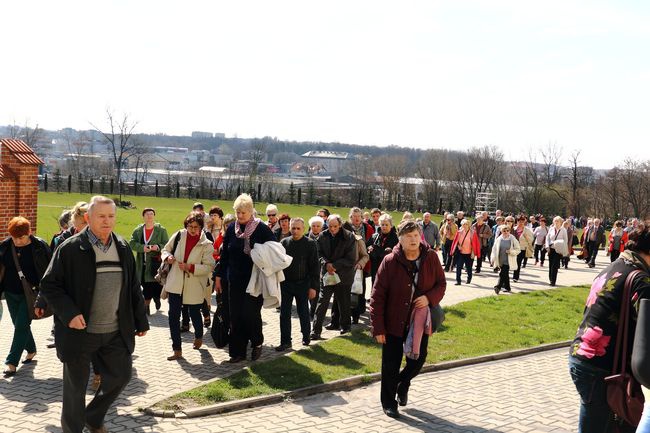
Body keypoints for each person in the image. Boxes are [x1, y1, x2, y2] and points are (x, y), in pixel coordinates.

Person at [40, 195, 149, 433]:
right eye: (101, 216)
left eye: (111, 216)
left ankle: (93, 416)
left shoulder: (122, 247)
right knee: (74, 392)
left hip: (114, 331)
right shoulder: (69, 249)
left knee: (121, 377)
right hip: (80, 333)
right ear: (88, 218)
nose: (107, 221)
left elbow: (132, 286)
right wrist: (69, 313)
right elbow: (49, 285)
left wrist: (141, 319)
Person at [569, 221, 650, 433]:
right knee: (599, 425)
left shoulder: (615, 266)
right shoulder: (641, 280)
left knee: (597, 421)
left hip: (583, 356)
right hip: (602, 365)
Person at [370, 221, 446, 419]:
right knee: (390, 363)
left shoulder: (431, 257)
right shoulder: (389, 261)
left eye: (416, 235)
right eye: (408, 236)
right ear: (400, 239)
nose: (413, 240)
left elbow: (441, 284)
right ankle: (389, 403)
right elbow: (377, 296)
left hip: (418, 321)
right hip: (393, 320)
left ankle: (402, 383)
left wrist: (429, 298)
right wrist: (378, 327)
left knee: (417, 360)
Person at [215, 194, 276, 363]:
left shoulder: (261, 228)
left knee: (250, 314)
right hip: (234, 280)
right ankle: (237, 353)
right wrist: (219, 276)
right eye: (237, 212)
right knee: (235, 316)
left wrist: (259, 254)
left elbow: (274, 249)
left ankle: (257, 342)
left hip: (254, 280)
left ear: (251, 212)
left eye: (243, 212)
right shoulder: (231, 229)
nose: (239, 216)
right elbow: (224, 255)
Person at [0, 217, 52, 377]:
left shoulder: (40, 247)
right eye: (14, 237)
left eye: (21, 238)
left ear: (29, 233)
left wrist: (45, 295)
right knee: (18, 324)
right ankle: (31, 349)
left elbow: (49, 271)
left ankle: (11, 362)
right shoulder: (4, 247)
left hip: (31, 294)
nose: (17, 241)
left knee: (22, 324)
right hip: (10, 292)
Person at [162, 211, 215, 360]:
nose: (192, 229)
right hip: (175, 283)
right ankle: (177, 350)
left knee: (194, 314)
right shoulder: (179, 235)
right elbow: (165, 249)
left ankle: (198, 336)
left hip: (194, 284)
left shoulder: (207, 244)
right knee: (173, 316)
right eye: (190, 226)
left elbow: (210, 266)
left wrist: (190, 267)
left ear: (201, 227)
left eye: (196, 227)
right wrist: (168, 257)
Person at [311, 214, 357, 339]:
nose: (332, 229)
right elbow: (318, 253)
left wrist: (335, 265)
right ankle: (315, 331)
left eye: (335, 226)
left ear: (340, 225)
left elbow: (351, 259)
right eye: (330, 226)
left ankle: (345, 327)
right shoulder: (322, 235)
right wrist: (326, 264)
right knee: (322, 302)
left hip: (343, 275)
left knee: (344, 302)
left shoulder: (349, 237)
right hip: (326, 274)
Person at [276, 218, 319, 351]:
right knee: (284, 313)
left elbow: (314, 267)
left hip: (303, 283)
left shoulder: (310, 244)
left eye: (298, 228)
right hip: (286, 284)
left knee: (303, 312)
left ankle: (306, 336)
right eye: (293, 228)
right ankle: (285, 341)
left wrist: (313, 287)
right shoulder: (284, 243)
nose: (295, 231)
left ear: (304, 229)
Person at [129, 208, 169, 315]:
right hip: (141, 265)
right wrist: (142, 247)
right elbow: (132, 243)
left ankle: (153, 301)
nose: (150, 216)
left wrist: (158, 247)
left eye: (151, 214)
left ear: (154, 216)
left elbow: (167, 244)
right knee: (145, 285)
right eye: (147, 214)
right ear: (143, 216)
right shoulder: (138, 230)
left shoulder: (161, 230)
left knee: (155, 286)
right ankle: (148, 303)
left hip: (155, 264)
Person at [368, 213, 399, 284]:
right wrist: (369, 248)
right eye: (382, 224)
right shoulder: (374, 236)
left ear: (391, 225)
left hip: (389, 269)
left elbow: (400, 253)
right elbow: (367, 246)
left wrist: (392, 251)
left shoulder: (396, 238)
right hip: (375, 268)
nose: (384, 227)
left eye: (386, 225)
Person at [449, 219, 480, 285]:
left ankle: (469, 278)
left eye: (466, 224)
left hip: (469, 253)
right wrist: (458, 246)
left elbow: (475, 243)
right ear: (462, 225)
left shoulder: (472, 233)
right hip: (461, 253)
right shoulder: (459, 232)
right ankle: (458, 281)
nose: (465, 226)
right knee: (459, 267)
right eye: (463, 224)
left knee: (469, 267)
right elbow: (455, 241)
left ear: (469, 225)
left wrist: (474, 252)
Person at [492, 224, 520, 294]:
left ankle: (498, 287)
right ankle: (508, 287)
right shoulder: (499, 239)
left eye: (507, 230)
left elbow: (518, 249)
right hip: (500, 260)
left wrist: (511, 252)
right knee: (505, 274)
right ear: (501, 231)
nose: (506, 232)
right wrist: (492, 259)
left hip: (508, 260)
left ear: (509, 231)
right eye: (504, 231)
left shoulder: (512, 238)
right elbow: (494, 249)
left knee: (502, 273)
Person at [546, 216, 569, 287]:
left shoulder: (563, 230)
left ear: (561, 222)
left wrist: (562, 250)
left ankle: (553, 281)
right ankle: (550, 279)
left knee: (555, 266)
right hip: (551, 249)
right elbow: (547, 238)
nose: (556, 222)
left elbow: (566, 240)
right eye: (555, 221)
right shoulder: (551, 229)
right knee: (550, 265)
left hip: (558, 250)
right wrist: (547, 247)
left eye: (557, 221)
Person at [512, 215, 534, 282]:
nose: (521, 222)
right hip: (513, 249)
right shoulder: (513, 229)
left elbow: (531, 240)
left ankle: (515, 277)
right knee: (513, 263)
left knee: (518, 263)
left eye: (522, 221)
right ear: (517, 221)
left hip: (522, 249)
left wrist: (526, 236)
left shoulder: (527, 230)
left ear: (524, 221)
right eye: (519, 221)